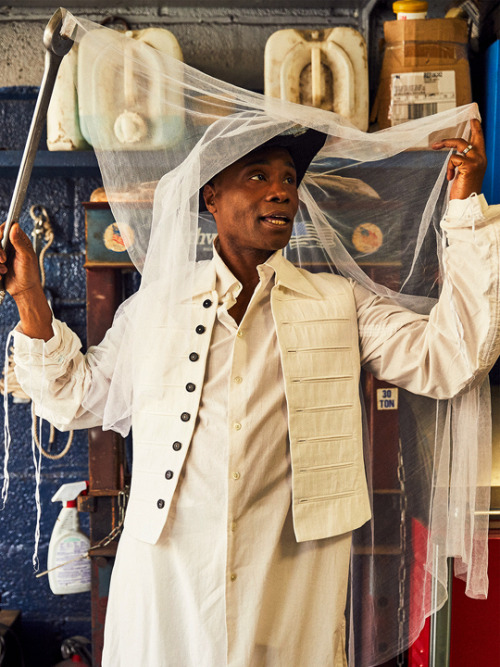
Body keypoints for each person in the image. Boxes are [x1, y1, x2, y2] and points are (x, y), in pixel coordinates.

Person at [1, 117, 499, 667]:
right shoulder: (154, 308)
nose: (281, 189)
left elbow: (454, 356)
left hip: (291, 577)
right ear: (211, 195)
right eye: (258, 175)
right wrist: (29, 297)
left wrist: (466, 206)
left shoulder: (338, 302)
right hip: (167, 576)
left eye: (288, 177)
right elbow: (75, 395)